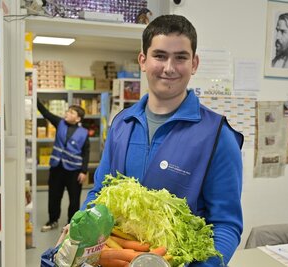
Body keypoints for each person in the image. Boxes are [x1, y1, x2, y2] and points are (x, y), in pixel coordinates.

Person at [82, 14, 243, 266]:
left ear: (194, 63)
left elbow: (226, 225)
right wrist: (81, 228)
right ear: (143, 61)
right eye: (160, 56)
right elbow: (99, 193)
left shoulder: (218, 136)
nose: (169, 67)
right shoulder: (122, 124)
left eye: (180, 57)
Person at [38, 100, 90, 232]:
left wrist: (83, 171)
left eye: (71, 112)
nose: (67, 113)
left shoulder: (84, 133)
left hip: (74, 171)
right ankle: (52, 220)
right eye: (68, 111)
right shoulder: (59, 123)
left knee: (74, 199)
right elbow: (46, 113)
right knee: (54, 195)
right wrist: (36, 99)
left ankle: (70, 224)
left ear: (78, 118)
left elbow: (86, 152)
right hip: (57, 168)